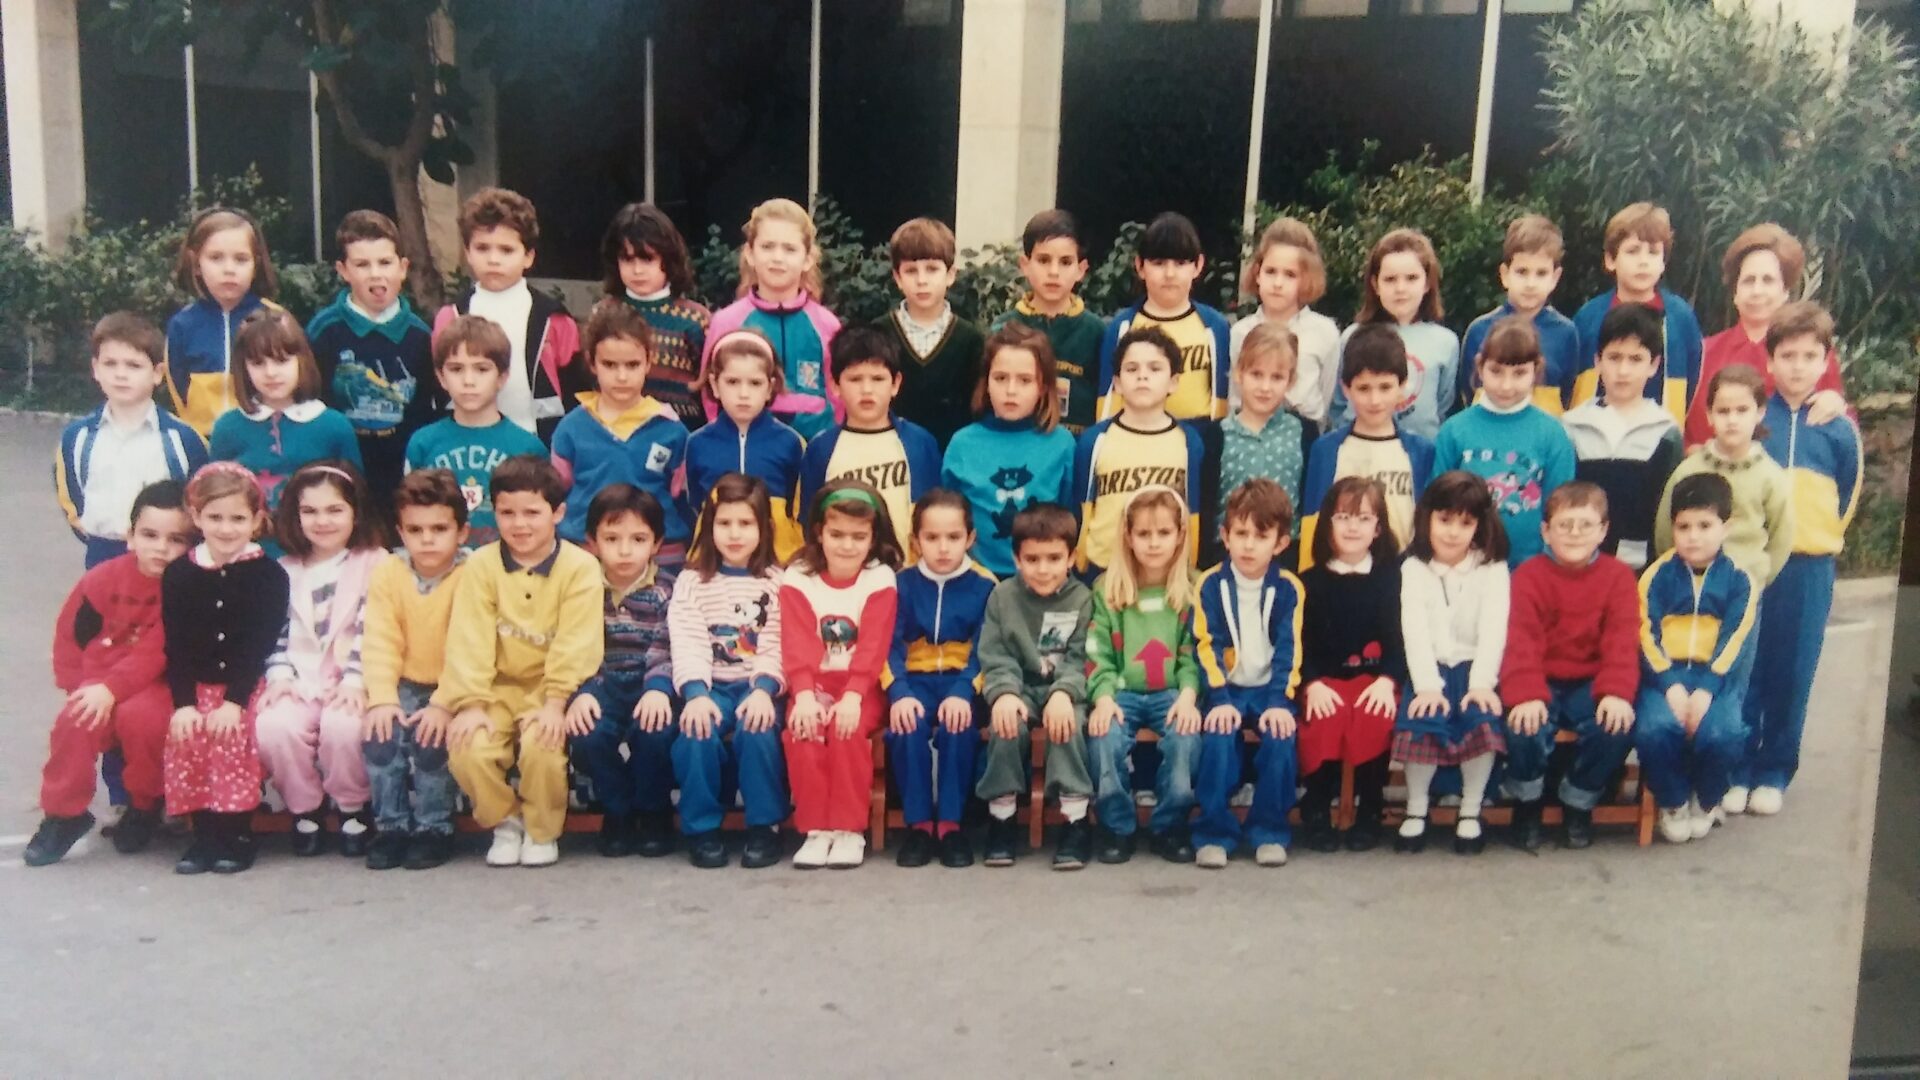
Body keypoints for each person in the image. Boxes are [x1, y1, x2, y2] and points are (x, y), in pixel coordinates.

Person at [441, 455, 604, 869]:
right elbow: (469, 637)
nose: (520, 525)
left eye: (532, 513)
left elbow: (577, 641)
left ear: (558, 513)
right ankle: (504, 820)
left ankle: (542, 829)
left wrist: (555, 702)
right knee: (468, 747)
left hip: (549, 688)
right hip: (494, 687)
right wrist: (471, 703)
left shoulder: (580, 567)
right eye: (507, 513)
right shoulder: (480, 565)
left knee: (542, 747)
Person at [24, 481, 192, 866]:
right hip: (100, 682)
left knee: (143, 721)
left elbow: (157, 651)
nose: (161, 548)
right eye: (150, 535)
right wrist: (76, 687)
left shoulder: (185, 587)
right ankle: (64, 814)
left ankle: (144, 805)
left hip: (155, 684)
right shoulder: (101, 579)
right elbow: (71, 636)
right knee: (76, 718)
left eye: (176, 539)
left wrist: (111, 690)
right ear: (130, 536)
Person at [1738, 301, 1861, 817]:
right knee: (1749, 666)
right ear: (1769, 361)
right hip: (1754, 565)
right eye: (1787, 356)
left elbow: (1849, 493)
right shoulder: (1753, 418)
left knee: (1794, 671)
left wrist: (1821, 538)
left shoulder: (1838, 427)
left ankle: (1774, 770)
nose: (1797, 366)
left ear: (1825, 361)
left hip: (1809, 565)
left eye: (1809, 356)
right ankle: (1739, 767)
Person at [162, 462, 291, 875]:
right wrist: (184, 703)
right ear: (196, 517)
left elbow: (258, 643)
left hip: (244, 685)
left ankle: (236, 833)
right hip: (196, 686)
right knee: (190, 738)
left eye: (237, 519)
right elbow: (176, 643)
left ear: (256, 520)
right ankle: (203, 834)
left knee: (232, 740)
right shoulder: (180, 573)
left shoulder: (268, 575)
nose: (226, 528)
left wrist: (235, 700)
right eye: (215, 517)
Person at [255, 462, 386, 858]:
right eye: (309, 511)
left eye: (334, 510)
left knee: (343, 727)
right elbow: (274, 634)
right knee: (274, 726)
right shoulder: (284, 570)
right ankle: (305, 807)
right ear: (294, 517)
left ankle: (352, 805)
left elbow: (374, 628)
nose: (322, 521)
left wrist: (355, 680)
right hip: (301, 677)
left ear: (355, 513)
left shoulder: (375, 563)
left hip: (354, 677)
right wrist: (279, 676)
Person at [1500, 482, 1640, 852]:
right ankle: (1527, 802)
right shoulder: (1528, 576)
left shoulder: (1619, 577)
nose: (1575, 533)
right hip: (1541, 678)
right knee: (1522, 724)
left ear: (1603, 531)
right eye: (1564, 525)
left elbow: (1621, 641)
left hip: (1590, 681)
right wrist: (1526, 693)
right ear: (1546, 531)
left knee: (1616, 725)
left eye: (1585, 525)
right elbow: (1521, 641)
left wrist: (1615, 692)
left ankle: (1579, 800)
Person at [669, 473, 788, 869]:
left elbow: (777, 641)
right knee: (696, 732)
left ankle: (764, 825)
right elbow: (687, 640)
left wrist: (764, 689)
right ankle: (701, 828)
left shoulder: (777, 582)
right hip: (712, 687)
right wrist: (696, 694)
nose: (734, 534)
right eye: (724, 523)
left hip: (758, 687)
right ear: (709, 526)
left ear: (764, 528)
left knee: (757, 730)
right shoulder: (692, 582)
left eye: (745, 523)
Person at [782, 481, 902, 869]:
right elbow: (797, 641)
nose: (847, 545)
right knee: (803, 730)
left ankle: (849, 829)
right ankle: (816, 829)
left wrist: (853, 695)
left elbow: (873, 644)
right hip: (814, 682)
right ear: (819, 532)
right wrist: (803, 695)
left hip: (860, 685)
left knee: (846, 730)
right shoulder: (798, 576)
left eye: (858, 536)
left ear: (873, 538)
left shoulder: (879, 577)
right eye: (837, 534)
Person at [1392, 472, 1510, 856]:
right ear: (1427, 517)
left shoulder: (1492, 568)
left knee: (1481, 721)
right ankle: (1417, 807)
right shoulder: (1413, 567)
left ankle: (1471, 809)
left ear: (1479, 525)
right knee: (1422, 721)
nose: (1453, 532)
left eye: (1465, 522)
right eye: (1444, 520)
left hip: (1476, 669)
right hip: (1430, 669)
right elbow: (1414, 630)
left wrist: (1482, 683)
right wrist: (1426, 685)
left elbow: (1494, 629)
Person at [1190, 478, 1305, 869]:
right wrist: (1219, 699)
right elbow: (1206, 645)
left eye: (1261, 536)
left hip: (1270, 689)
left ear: (1281, 543)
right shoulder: (1209, 584)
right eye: (1241, 534)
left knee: (1281, 736)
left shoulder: (1290, 588)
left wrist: (1279, 702)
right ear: (1225, 536)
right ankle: (1213, 832)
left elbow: (1290, 650)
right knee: (1219, 735)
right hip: (1227, 688)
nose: (1249, 545)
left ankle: (1269, 830)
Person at [1085, 487, 1203, 865]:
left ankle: (1169, 825)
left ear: (1180, 535)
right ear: (1128, 536)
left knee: (1185, 737)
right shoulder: (1108, 590)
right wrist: (1103, 697)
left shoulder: (1193, 588)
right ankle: (1117, 826)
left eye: (1164, 533)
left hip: (1172, 692)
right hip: (1122, 693)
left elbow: (1193, 652)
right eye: (1144, 534)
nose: (1153, 543)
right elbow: (1098, 652)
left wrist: (1188, 695)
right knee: (1104, 735)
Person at [974, 503, 1096, 870]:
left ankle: (1075, 820)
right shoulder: (1002, 597)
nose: (1043, 569)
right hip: (1020, 688)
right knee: (1005, 725)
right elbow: (995, 653)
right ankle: (1002, 818)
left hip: (1065, 690)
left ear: (1071, 558)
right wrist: (1004, 693)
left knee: (1068, 724)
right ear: (1016, 559)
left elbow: (1083, 656)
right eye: (1032, 559)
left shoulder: (1082, 598)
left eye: (1054, 558)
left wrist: (1063, 692)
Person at [1636, 473, 1756, 843]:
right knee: (1654, 729)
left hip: (1714, 679)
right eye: (1683, 526)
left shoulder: (1740, 579)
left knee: (1724, 734)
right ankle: (1673, 801)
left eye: (1705, 526)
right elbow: (1645, 632)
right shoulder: (1656, 576)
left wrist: (1705, 689)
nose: (1693, 536)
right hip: (1664, 676)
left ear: (1726, 527)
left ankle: (1706, 799)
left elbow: (1735, 638)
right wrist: (1669, 684)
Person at [359, 468, 470, 871]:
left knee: (430, 743)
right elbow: (381, 638)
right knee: (381, 736)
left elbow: (469, 646)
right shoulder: (389, 572)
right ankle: (391, 826)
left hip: (455, 684)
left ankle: (433, 827)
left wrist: (444, 703)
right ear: (400, 532)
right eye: (415, 530)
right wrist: (382, 699)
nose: (427, 539)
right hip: (405, 681)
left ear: (462, 532)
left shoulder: (472, 574)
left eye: (439, 529)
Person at [883, 490, 997, 868]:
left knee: (958, 727)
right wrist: (899, 692)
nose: (943, 548)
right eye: (932, 537)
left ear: (970, 538)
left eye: (953, 537)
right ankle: (918, 825)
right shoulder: (900, 584)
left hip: (962, 682)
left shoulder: (986, 585)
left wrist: (964, 691)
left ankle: (950, 824)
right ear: (916, 541)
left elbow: (987, 648)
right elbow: (886, 645)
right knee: (906, 725)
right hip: (913, 681)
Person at [565, 484, 680, 859]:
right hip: (602, 684)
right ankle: (618, 810)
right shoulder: (582, 588)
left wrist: (658, 687)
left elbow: (667, 643)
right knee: (588, 732)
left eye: (638, 539)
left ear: (657, 543)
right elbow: (573, 643)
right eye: (612, 539)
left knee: (656, 731)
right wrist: (582, 691)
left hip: (651, 684)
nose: (625, 550)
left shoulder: (668, 590)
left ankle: (653, 810)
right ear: (592, 542)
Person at [1295, 477, 1405, 853]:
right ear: (1327, 523)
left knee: (1375, 715)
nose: (1352, 526)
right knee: (1324, 718)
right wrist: (1311, 683)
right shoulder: (1309, 583)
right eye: (1342, 517)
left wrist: (1387, 679)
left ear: (1378, 528)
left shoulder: (1391, 580)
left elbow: (1399, 640)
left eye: (1363, 518)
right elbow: (1301, 644)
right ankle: (1316, 806)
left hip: (1374, 679)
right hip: (1323, 681)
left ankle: (1370, 808)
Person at [432, 186, 586, 442]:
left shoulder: (553, 319)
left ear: (528, 256)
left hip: (538, 444)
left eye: (506, 250)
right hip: (467, 442)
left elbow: (576, 393)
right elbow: (438, 388)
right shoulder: (451, 316)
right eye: (482, 248)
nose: (494, 259)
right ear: (467, 253)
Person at [57, 312, 209, 568]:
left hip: (167, 555)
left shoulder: (183, 438)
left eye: (133, 365)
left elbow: (199, 498)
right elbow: (72, 496)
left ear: (157, 373)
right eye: (110, 364)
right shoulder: (77, 437)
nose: (120, 374)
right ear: (95, 369)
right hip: (103, 553)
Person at [307, 209, 438, 503]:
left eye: (385, 262)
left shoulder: (421, 336)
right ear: (343, 271)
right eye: (362, 264)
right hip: (340, 475)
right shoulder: (323, 331)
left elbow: (430, 408)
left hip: (403, 476)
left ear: (403, 268)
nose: (376, 273)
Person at [1685, 224, 1848, 449]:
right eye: (1749, 280)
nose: (1757, 291)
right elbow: (1686, 431)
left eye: (1768, 280)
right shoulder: (1704, 354)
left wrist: (1835, 403)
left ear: (1785, 291)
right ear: (1735, 293)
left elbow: (1843, 430)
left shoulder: (1810, 352)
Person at [550, 300, 691, 560]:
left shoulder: (671, 429)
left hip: (660, 554)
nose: (622, 376)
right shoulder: (571, 428)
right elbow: (557, 491)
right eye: (610, 365)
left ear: (649, 362)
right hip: (585, 552)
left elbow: (681, 496)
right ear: (592, 363)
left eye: (632, 365)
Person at [1432, 316, 1576, 566]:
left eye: (1519, 373)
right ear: (1480, 367)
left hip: (1530, 568)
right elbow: (1436, 503)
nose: (1506, 385)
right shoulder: (1454, 431)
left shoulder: (1553, 434)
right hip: (1464, 566)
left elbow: (1561, 509)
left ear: (1536, 370)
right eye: (1496, 371)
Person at [941, 323, 1076, 578]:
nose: (1011, 390)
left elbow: (1070, 518)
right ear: (986, 382)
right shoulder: (962, 444)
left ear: (1043, 386)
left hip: (1042, 579)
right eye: (1001, 378)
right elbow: (948, 520)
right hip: (978, 579)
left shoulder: (1062, 444)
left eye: (1025, 380)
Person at [703, 198, 843, 441]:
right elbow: (711, 396)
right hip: (747, 451)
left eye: (789, 249)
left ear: (807, 259)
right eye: (767, 246)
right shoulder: (727, 322)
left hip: (816, 452)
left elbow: (840, 396)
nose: (777, 257)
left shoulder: (827, 325)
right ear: (750, 254)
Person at [403, 315, 548, 548]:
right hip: (441, 561)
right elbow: (410, 511)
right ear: (441, 377)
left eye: (481, 369)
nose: (468, 381)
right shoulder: (423, 443)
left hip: (506, 562)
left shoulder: (527, 447)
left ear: (502, 377)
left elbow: (541, 519)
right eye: (456, 369)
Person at [207, 308, 362, 525]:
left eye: (282, 361)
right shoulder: (227, 428)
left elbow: (356, 501)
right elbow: (213, 501)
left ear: (302, 360)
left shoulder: (334, 426)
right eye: (258, 363)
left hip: (318, 541)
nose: (270, 373)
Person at [1072, 326, 1205, 580]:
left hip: (1166, 575)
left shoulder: (1189, 442)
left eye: (1155, 369)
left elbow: (1194, 513)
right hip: (1104, 572)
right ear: (1117, 383)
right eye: (1132, 369)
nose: (1142, 376)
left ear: (1174, 382)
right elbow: (1081, 511)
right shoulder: (1095, 440)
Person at [1297, 324, 1437, 563]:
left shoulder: (1421, 452)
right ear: (1346, 389)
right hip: (1339, 572)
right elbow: (1312, 522)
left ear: (1402, 386)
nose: (1375, 400)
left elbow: (1427, 525)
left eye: (1385, 387)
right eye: (1363, 388)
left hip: (1404, 571)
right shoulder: (1326, 450)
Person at [1562, 302, 1683, 571]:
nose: (1623, 371)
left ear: (1654, 365)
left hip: (1641, 569)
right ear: (1598, 361)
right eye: (1614, 358)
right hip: (1579, 565)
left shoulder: (1666, 431)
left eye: (1636, 359)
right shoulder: (1572, 427)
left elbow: (1669, 513)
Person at [799, 326, 942, 554]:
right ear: (835, 385)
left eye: (877, 379)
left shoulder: (920, 443)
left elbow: (935, 518)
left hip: (905, 570)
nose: (867, 389)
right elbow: (809, 523)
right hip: (843, 568)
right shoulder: (821, 449)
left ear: (895, 384)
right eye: (855, 379)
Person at [1655, 366, 1794, 593]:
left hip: (1744, 591)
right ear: (1709, 415)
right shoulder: (1688, 470)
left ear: (1760, 413)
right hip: (1689, 588)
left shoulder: (1771, 476)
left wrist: (1758, 577)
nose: (1732, 420)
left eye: (1742, 410)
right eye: (1723, 411)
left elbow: (1781, 538)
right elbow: (1664, 531)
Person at [1570, 202, 1703, 424]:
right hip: (1595, 433)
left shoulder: (1680, 317)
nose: (1643, 261)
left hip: (1659, 434)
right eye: (1633, 251)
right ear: (1611, 260)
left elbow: (1694, 380)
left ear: (1663, 263)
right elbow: (1573, 379)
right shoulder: (1589, 317)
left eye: (1653, 252)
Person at [1095, 211, 1232, 424]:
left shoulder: (1215, 327)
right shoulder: (1122, 328)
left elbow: (1222, 397)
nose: (1169, 274)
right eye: (1158, 263)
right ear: (1140, 266)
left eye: (1180, 263)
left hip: (1202, 434)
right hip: (1137, 433)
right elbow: (1107, 402)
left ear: (1198, 266)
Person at [685, 328, 808, 561]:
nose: (743, 393)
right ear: (714, 384)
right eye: (732, 382)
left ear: (770, 387)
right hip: (713, 564)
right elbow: (694, 502)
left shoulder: (791, 442)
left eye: (755, 383)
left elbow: (800, 508)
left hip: (777, 562)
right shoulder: (697, 443)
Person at [1326, 228, 1459, 441]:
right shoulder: (1353, 336)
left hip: (1422, 453)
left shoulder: (1445, 342)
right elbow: (1338, 403)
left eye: (1411, 278)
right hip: (1360, 448)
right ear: (1375, 284)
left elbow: (1445, 405)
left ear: (1427, 283)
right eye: (1390, 279)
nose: (1400, 288)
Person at [165, 207, 282, 437]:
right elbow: (178, 390)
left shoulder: (276, 319)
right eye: (216, 258)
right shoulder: (182, 325)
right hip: (203, 442)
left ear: (256, 264)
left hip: (263, 439)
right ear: (196, 264)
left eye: (241, 259)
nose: (229, 269)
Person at [873, 216, 985, 448]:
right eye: (911, 271)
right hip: (892, 455)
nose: (921, 280)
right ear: (897, 278)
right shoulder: (878, 333)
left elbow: (977, 410)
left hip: (951, 457)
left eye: (932, 269)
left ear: (950, 275)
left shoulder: (971, 340)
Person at [600, 202, 712, 430]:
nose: (637, 270)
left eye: (647, 259)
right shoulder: (604, 313)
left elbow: (708, 386)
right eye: (627, 259)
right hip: (615, 431)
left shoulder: (695, 318)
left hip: (679, 433)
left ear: (668, 259)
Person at [994, 209, 1106, 434]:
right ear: (1025, 265)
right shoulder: (1002, 329)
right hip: (1018, 446)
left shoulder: (1097, 332)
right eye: (1044, 260)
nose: (1054, 272)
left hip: (1075, 449)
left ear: (1081, 270)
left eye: (1065, 262)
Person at [1458, 214, 1579, 414]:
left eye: (1541, 273)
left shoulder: (1566, 332)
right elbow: (1469, 392)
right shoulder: (1480, 330)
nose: (1531, 284)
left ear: (1555, 278)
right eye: (1522, 272)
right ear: (1505, 274)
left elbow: (1567, 395)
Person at [1229, 217, 1342, 428]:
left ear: (1306, 279)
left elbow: (1326, 396)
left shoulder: (1324, 332)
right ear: (1257, 274)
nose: (1278, 283)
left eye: (1290, 275)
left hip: (1304, 438)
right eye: (1271, 271)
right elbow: (1235, 399)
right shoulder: (1241, 332)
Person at [1218, 322, 1308, 544]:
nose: (1265, 387)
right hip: (1229, 550)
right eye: (1256, 374)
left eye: (1276, 377)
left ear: (1291, 381)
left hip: (1285, 551)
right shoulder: (1218, 434)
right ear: (1239, 373)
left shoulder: (1303, 432)